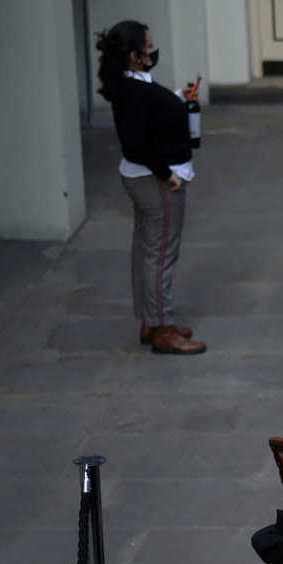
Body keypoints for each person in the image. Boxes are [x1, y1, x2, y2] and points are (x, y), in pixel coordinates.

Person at [100, 20, 204, 356]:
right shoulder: (132, 91)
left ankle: (152, 319)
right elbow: (135, 144)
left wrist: (176, 99)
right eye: (148, 46)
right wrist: (166, 174)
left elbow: (149, 113)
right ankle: (162, 329)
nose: (153, 50)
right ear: (134, 56)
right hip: (155, 180)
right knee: (160, 255)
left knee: (147, 250)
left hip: (146, 178)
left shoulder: (132, 85)